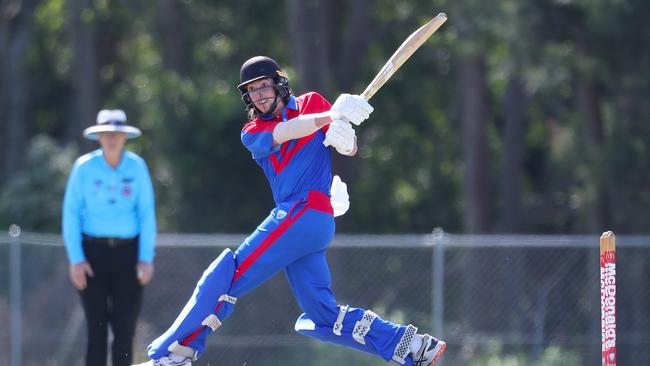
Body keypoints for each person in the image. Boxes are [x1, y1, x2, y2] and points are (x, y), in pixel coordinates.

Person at [134, 56, 445, 366]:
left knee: (226, 276)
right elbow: (287, 132)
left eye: (264, 86)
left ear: (280, 84)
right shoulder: (252, 131)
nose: (258, 95)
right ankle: (411, 346)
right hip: (304, 221)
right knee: (322, 316)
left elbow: (345, 146)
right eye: (251, 91)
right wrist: (330, 116)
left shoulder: (312, 102)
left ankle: (174, 355)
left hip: (306, 213)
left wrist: (346, 140)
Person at [63, 109, 157, 366]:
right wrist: (76, 259)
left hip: (128, 255)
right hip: (92, 254)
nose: (112, 139)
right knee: (96, 329)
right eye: (106, 134)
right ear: (99, 137)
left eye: (116, 134)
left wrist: (146, 258)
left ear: (125, 137)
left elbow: (146, 214)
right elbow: (71, 214)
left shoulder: (137, 167)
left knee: (125, 329)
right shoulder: (84, 168)